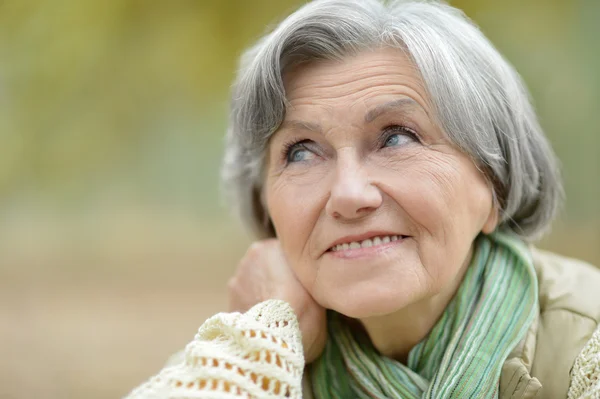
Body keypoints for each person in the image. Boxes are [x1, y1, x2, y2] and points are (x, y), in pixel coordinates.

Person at [125, 0, 600, 398]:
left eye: (397, 138)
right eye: (302, 152)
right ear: (267, 205)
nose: (349, 195)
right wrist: (264, 342)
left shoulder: (586, 350)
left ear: (494, 186)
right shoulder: (249, 358)